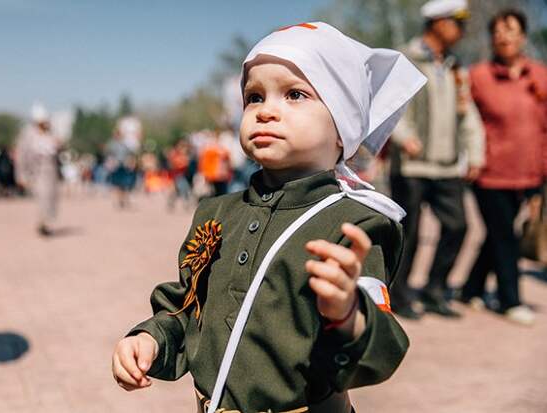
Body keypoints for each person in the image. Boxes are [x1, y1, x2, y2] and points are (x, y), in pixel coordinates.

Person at [112, 22, 426, 412]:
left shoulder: (356, 223)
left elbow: (383, 351)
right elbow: (187, 307)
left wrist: (349, 315)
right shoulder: (217, 212)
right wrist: (151, 339)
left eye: (295, 94)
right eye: (254, 97)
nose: (266, 112)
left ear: (343, 126)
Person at [389, 0, 485, 319]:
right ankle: (400, 295)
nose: (461, 30)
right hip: (413, 165)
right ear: (438, 23)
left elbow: (468, 114)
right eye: (457, 22)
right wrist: (404, 137)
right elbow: (391, 104)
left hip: (446, 167)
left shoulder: (457, 67)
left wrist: (475, 153)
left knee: (458, 226)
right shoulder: (407, 58)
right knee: (410, 232)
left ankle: (434, 290)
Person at [459, 9, 546, 326]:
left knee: (497, 235)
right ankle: (511, 300)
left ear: (523, 36)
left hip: (528, 174)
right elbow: (465, 122)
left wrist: (541, 176)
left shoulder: (539, 76)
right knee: (505, 236)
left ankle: (470, 290)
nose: (502, 36)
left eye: (509, 30)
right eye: (496, 31)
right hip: (489, 174)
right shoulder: (478, 76)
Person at [15, 104, 61, 236]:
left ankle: (46, 222)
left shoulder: (51, 134)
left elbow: (55, 153)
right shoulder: (28, 135)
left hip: (51, 172)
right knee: (42, 197)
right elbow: (22, 157)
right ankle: (41, 223)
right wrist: (21, 175)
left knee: (50, 198)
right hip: (36, 172)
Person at [105, 127, 137, 208]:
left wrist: (131, 163)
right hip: (115, 166)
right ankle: (119, 201)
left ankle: (124, 200)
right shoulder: (111, 144)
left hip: (124, 166)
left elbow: (130, 154)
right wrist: (110, 164)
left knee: (124, 184)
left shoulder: (125, 144)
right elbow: (109, 155)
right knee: (117, 184)